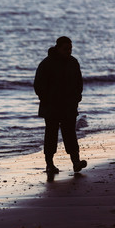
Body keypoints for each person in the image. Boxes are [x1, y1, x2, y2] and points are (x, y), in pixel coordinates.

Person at [34, 36, 87, 174]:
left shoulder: (73, 62)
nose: (68, 51)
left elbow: (79, 83)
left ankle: (76, 162)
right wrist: (46, 99)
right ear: (58, 48)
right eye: (65, 49)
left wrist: (77, 98)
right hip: (51, 107)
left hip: (69, 106)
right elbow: (38, 85)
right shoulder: (46, 64)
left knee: (70, 134)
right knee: (51, 135)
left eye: (70, 49)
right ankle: (49, 164)